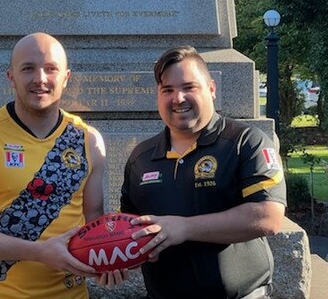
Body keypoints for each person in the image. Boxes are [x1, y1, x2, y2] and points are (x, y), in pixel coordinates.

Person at [0, 32, 107, 299]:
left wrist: (111, 260)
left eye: (51, 69)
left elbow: (94, 222)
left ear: (65, 78)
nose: (40, 79)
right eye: (28, 68)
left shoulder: (88, 139)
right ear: (11, 77)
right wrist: (39, 252)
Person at [120, 46, 287, 299]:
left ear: (211, 88)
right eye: (168, 90)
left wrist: (184, 228)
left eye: (189, 87)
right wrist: (113, 262)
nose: (178, 98)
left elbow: (268, 217)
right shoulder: (140, 158)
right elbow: (130, 233)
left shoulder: (247, 142)